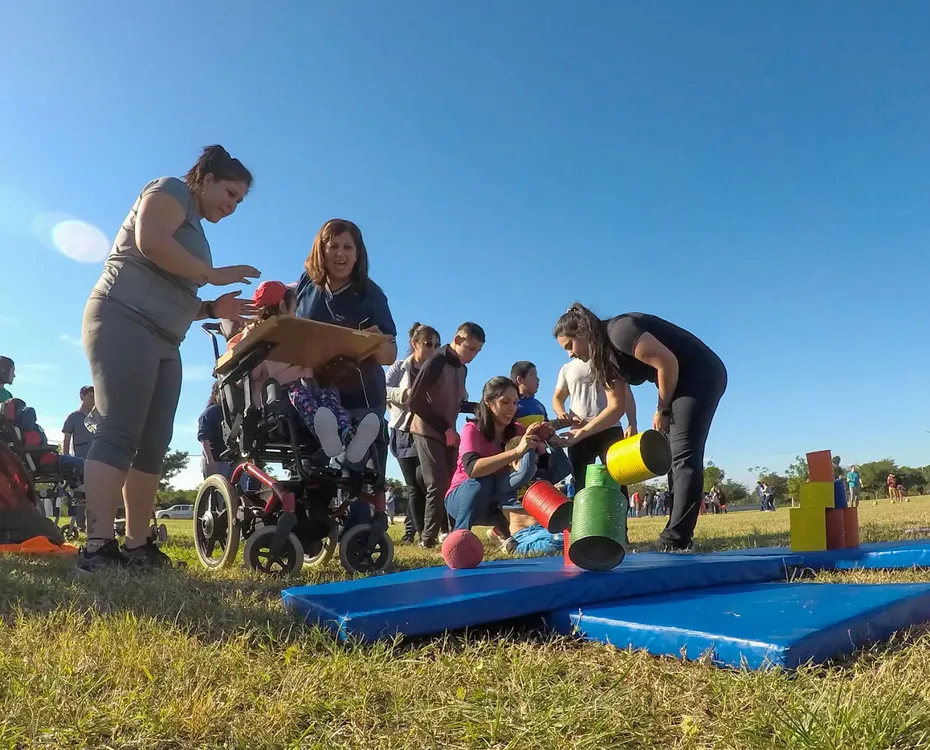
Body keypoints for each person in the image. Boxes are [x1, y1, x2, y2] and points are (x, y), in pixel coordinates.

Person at [77, 145, 259, 572]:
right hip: (123, 317)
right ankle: (97, 546)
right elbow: (150, 241)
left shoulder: (196, 228)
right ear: (206, 178)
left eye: (239, 201)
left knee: (154, 443)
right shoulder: (171, 189)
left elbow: (175, 294)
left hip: (164, 337)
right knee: (120, 429)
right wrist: (213, 275)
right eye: (230, 194)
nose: (232, 206)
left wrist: (213, 309)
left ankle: (137, 545)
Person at [553, 303, 727, 552]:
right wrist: (580, 434)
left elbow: (667, 363)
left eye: (569, 346)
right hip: (678, 384)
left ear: (582, 332)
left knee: (683, 455)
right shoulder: (605, 358)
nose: (569, 354)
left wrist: (662, 409)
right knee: (672, 456)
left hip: (699, 375)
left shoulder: (619, 331)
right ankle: (675, 535)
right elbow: (615, 407)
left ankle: (677, 540)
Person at [295, 219, 397, 523]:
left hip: (361, 396)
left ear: (358, 253)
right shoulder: (305, 285)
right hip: (316, 390)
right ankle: (311, 527)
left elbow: (390, 355)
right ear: (321, 250)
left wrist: (375, 342)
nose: (340, 254)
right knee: (315, 465)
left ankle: (359, 532)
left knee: (356, 469)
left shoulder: (372, 295)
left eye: (347, 247)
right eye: (333, 246)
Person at [236, 281, 381, 463]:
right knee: (302, 393)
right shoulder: (256, 334)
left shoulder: (298, 330)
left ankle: (347, 436)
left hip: (308, 385)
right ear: (283, 305)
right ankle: (329, 434)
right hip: (280, 396)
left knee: (327, 392)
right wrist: (258, 356)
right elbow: (246, 376)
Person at [444, 377, 545, 551]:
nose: (511, 409)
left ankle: (503, 532)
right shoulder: (472, 429)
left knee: (525, 481)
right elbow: (473, 470)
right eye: (505, 402)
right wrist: (516, 452)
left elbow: (540, 466)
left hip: (497, 498)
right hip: (462, 497)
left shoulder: (518, 430)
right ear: (488, 402)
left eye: (514, 403)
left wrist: (548, 441)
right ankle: (459, 538)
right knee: (484, 480)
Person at [408, 322, 485, 548]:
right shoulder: (436, 361)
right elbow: (415, 401)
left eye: (477, 351)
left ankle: (454, 532)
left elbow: (456, 402)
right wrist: (445, 428)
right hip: (427, 430)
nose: (473, 355)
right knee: (438, 484)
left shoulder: (462, 368)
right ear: (458, 339)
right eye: (470, 349)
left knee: (454, 483)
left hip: (448, 433)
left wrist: (481, 409)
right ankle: (428, 538)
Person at [386, 322, 441, 544]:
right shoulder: (400, 367)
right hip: (404, 432)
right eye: (428, 344)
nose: (433, 349)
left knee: (427, 481)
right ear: (414, 344)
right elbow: (384, 389)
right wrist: (405, 393)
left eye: (437, 345)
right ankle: (421, 534)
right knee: (413, 486)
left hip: (428, 431)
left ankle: (427, 532)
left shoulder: (438, 370)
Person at [552, 357, 637, 491]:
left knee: (618, 478)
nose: (570, 353)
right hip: (578, 434)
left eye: (570, 345)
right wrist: (561, 412)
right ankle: (583, 511)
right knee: (580, 482)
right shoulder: (567, 368)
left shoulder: (608, 362)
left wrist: (632, 423)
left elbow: (625, 393)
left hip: (610, 428)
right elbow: (557, 397)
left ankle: (619, 511)